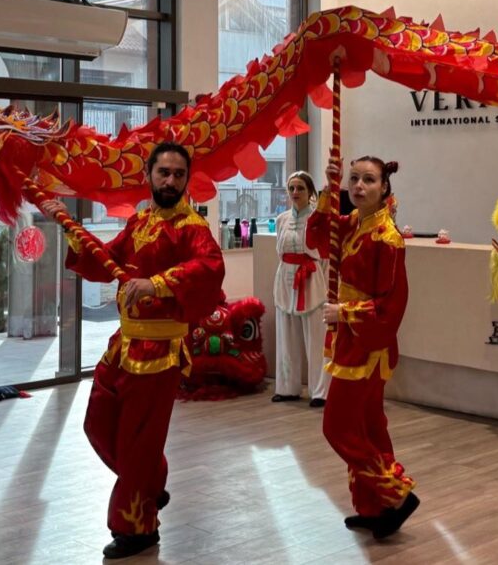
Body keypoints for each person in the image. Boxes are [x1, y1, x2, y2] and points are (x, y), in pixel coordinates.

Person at [39, 142, 225, 560]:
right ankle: (151, 483)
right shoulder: (141, 220)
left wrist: (159, 283)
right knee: (98, 425)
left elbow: (210, 268)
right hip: (123, 345)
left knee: (140, 442)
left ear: (186, 179)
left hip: (159, 351)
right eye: (164, 172)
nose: (171, 180)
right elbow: (107, 260)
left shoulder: (192, 228)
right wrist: (68, 226)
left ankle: (136, 528)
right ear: (150, 175)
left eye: (179, 174)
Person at [308, 155, 419, 540]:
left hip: (366, 344)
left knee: (337, 426)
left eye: (368, 180)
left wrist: (346, 312)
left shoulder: (387, 239)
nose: (358, 186)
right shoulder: (353, 223)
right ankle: (375, 508)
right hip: (349, 338)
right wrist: (328, 186)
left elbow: (392, 304)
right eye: (353, 179)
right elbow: (319, 238)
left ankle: (395, 492)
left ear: (384, 188)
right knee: (369, 427)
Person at [271, 170, 331, 407]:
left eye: (300, 188)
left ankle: (320, 391)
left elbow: (324, 255)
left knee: (316, 337)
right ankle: (287, 387)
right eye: (292, 188)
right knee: (286, 335)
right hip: (285, 279)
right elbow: (280, 250)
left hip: (312, 281)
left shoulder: (318, 218)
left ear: (310, 192)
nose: (295, 193)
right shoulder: (281, 219)